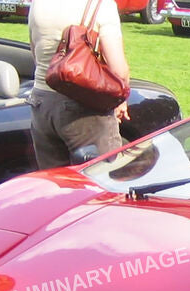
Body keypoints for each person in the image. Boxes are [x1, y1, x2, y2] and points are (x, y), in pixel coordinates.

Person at [28, 0, 131, 169]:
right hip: (84, 104)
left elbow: (35, 54)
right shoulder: (101, 4)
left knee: (55, 184)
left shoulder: (38, 3)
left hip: (41, 101)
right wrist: (120, 101)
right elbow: (119, 70)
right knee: (101, 179)